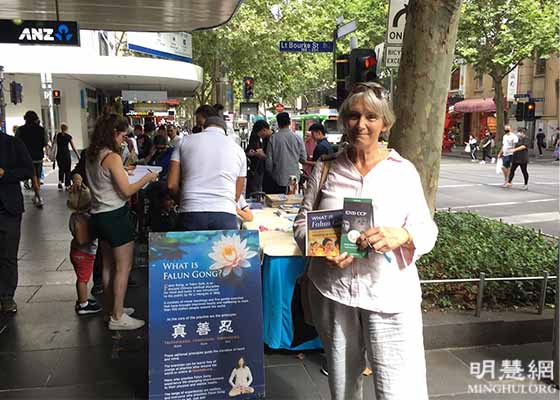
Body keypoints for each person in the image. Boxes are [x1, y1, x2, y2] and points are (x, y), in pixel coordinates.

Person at [293, 82, 438, 400]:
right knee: (343, 388)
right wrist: (325, 247)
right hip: (334, 293)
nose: (362, 124)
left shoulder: (403, 172)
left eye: (371, 116)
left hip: (389, 296)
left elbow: (427, 229)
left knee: (399, 389)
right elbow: (301, 224)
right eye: (354, 115)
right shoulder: (326, 168)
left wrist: (402, 234)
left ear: (384, 123)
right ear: (344, 120)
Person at [85, 114, 158, 330]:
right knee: (123, 267)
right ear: (113, 133)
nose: (124, 140)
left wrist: (125, 171)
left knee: (107, 265)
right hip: (115, 216)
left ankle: (111, 309)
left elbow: (105, 177)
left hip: (98, 215)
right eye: (123, 135)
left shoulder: (92, 155)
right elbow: (126, 191)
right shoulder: (112, 157)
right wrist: (147, 178)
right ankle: (118, 317)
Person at [167, 116, 246, 231]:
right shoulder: (238, 150)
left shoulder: (184, 141)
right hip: (225, 214)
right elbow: (236, 195)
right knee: (225, 249)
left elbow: (171, 185)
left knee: (189, 249)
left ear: (203, 127)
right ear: (225, 131)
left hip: (190, 211)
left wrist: (184, 201)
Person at [0, 129, 34, 313]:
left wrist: (5, 174)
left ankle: (6, 296)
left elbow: (28, 170)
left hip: (8, 209)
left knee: (8, 255)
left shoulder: (13, 144)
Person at [265, 112, 307, 194]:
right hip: (294, 180)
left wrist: (271, 173)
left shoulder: (273, 139)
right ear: (289, 122)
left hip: (278, 178)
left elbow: (269, 162)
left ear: (278, 123)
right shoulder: (298, 138)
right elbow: (303, 159)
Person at [69, 212, 101, 315]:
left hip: (77, 251)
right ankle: (83, 305)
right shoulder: (82, 218)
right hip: (84, 254)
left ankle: (82, 299)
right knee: (83, 279)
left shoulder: (74, 216)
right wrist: (95, 234)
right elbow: (81, 239)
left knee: (81, 278)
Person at [15, 111, 48, 208]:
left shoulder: (20, 130)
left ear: (25, 118)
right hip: (38, 156)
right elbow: (45, 142)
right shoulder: (42, 130)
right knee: (37, 176)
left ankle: (38, 196)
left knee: (32, 176)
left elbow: (16, 142)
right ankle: (37, 195)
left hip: (26, 156)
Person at [245, 120, 271, 196]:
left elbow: (274, 159)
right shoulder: (265, 139)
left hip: (270, 174)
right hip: (262, 170)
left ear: (264, 130)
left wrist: (262, 155)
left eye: (259, 134)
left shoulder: (273, 139)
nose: (259, 136)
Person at [55, 123, 80, 190]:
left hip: (59, 154)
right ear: (66, 128)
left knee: (61, 168)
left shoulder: (57, 136)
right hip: (66, 154)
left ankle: (60, 182)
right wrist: (78, 155)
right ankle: (67, 185)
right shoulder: (68, 136)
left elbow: (53, 144)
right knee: (67, 170)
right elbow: (73, 147)